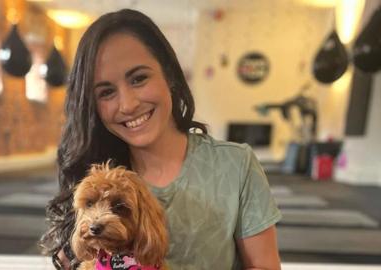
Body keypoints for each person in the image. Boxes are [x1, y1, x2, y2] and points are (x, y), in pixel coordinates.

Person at [40, 8, 282, 270]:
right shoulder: (94, 175)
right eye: (106, 92)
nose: (128, 104)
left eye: (139, 78)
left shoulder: (236, 165)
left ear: (169, 74)